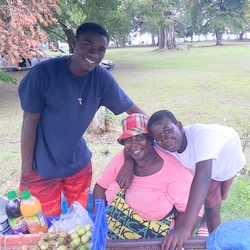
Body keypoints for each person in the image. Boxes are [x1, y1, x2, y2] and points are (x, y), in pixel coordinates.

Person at [18, 22, 145, 216]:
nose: (94, 53)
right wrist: (26, 168)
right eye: (88, 45)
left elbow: (132, 110)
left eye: (101, 50)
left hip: (79, 166)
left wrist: (162, 131)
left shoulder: (101, 78)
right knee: (43, 228)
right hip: (40, 169)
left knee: (79, 221)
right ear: (74, 41)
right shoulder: (44, 74)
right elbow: (30, 122)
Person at [146, 110, 246, 250]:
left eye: (168, 131)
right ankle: (215, 243)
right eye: (159, 138)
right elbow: (140, 145)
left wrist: (185, 229)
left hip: (229, 166)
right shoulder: (162, 144)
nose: (165, 139)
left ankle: (205, 221)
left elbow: (202, 178)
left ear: (179, 126)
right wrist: (127, 162)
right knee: (212, 209)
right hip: (210, 172)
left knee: (222, 196)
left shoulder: (202, 136)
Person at [92, 113, 201, 240]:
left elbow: (193, 212)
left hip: (153, 240)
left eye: (139, 138)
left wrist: (177, 235)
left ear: (150, 139)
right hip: (111, 234)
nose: (134, 144)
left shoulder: (175, 174)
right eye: (128, 140)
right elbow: (101, 186)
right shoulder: (121, 160)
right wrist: (97, 221)